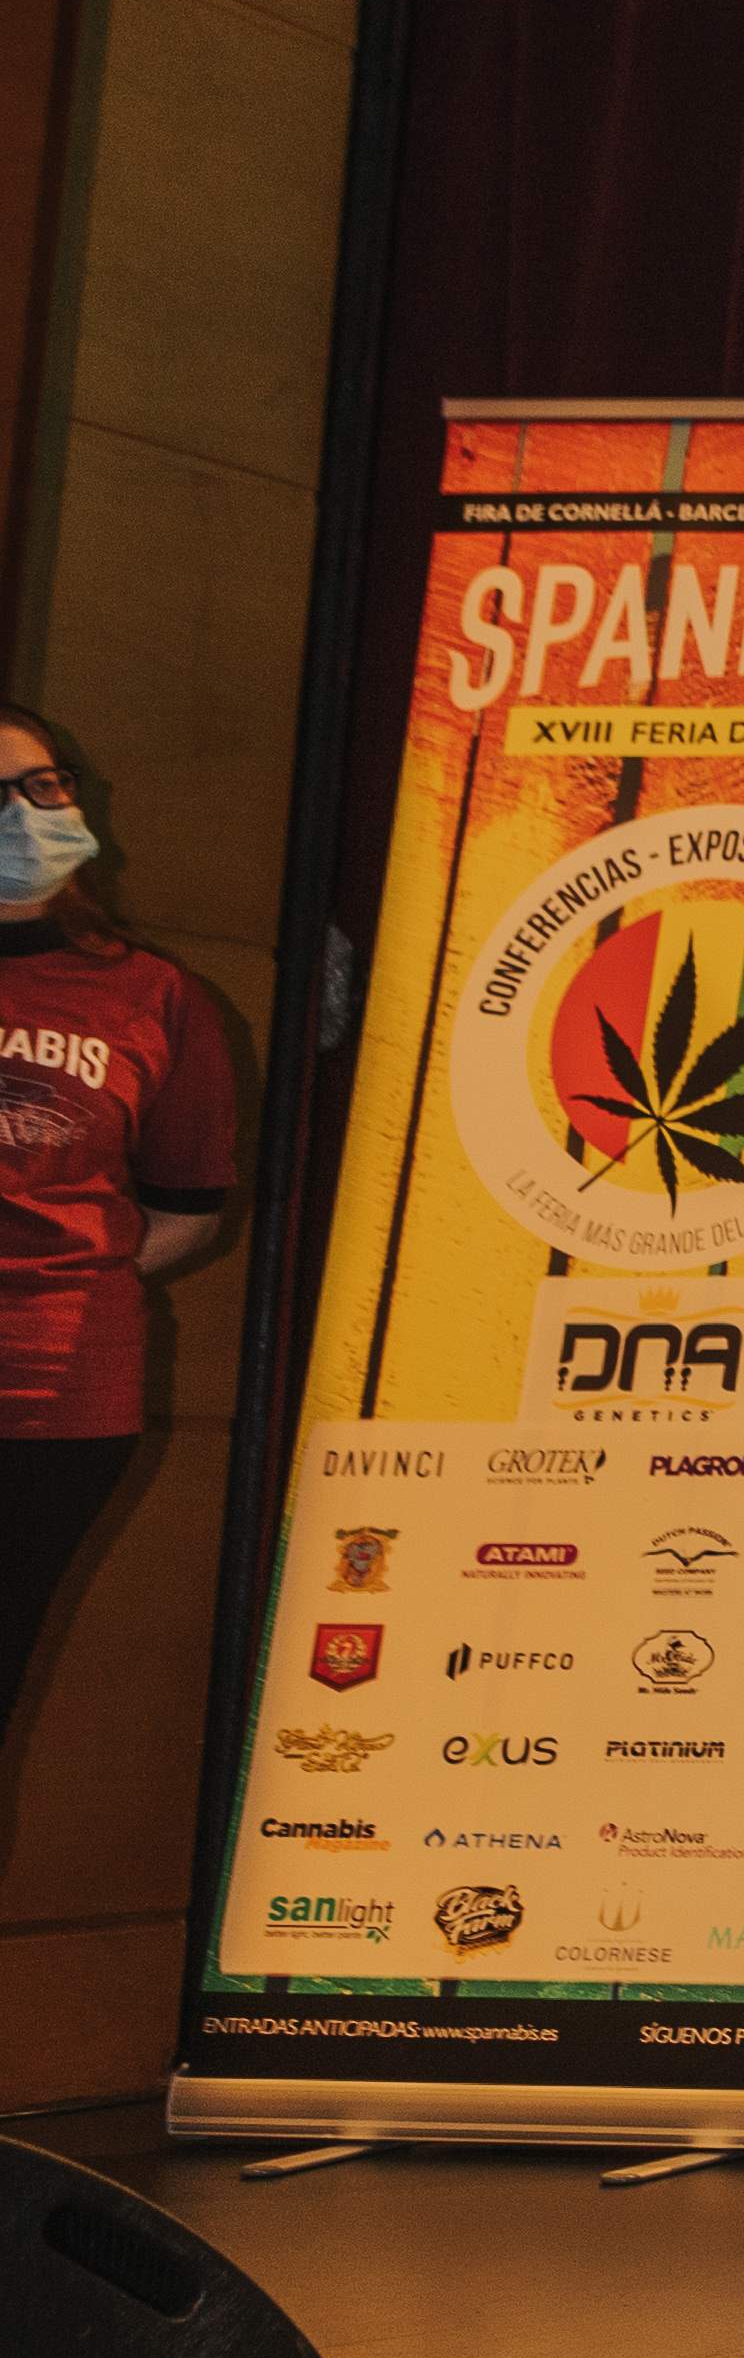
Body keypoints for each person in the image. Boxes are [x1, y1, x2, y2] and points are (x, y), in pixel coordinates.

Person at [0, 704, 232, 1708]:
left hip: (59, 1397)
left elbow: (190, 1208)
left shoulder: (154, 995)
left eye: (42, 785)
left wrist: (65, 1276)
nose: (26, 813)